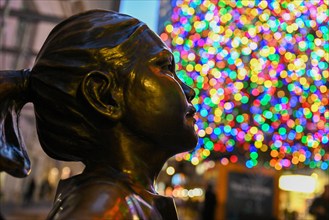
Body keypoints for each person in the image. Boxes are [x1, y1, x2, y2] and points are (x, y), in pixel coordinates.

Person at [0, 10, 198, 219]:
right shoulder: (106, 208)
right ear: (103, 95)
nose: (188, 91)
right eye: (166, 67)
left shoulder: (126, 201)